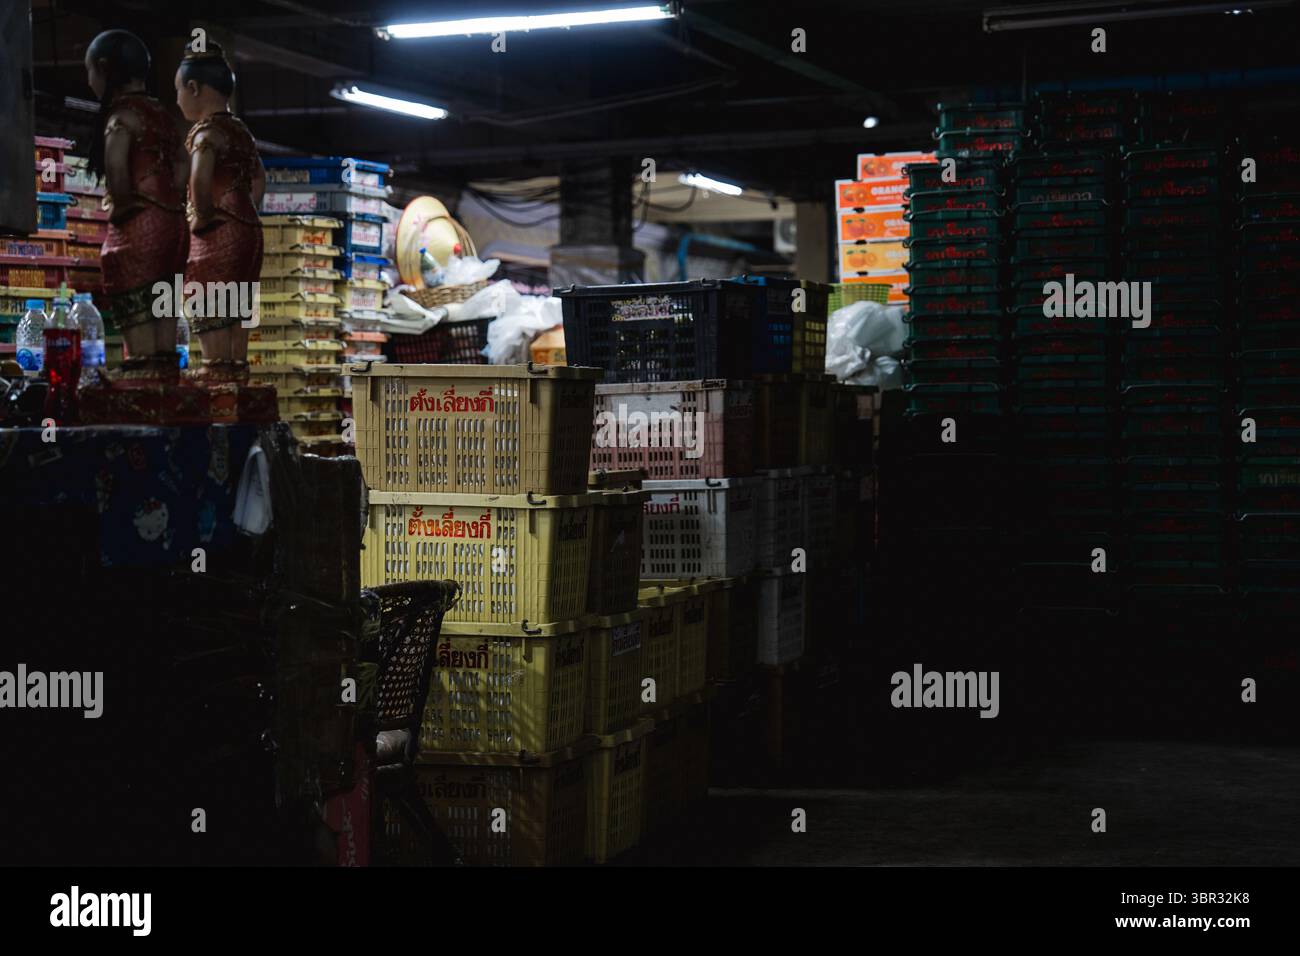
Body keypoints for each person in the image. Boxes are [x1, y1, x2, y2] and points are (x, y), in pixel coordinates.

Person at [84, 29, 188, 382]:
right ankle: (165, 383)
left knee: (132, 294)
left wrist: (124, 204)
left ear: (103, 68)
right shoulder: (163, 114)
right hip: (173, 223)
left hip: (138, 223)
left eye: (90, 72)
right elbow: (183, 164)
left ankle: (142, 382)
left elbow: (115, 169)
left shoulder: (120, 117)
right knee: (164, 303)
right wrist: (169, 199)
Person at [176, 42, 265, 384]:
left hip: (216, 232)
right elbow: (259, 176)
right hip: (247, 230)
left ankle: (215, 374)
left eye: (179, 91)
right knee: (238, 304)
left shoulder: (206, 134)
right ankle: (236, 372)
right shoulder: (241, 131)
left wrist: (202, 216)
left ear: (194, 89)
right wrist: (246, 210)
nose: (179, 99)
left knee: (207, 298)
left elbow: (199, 178)